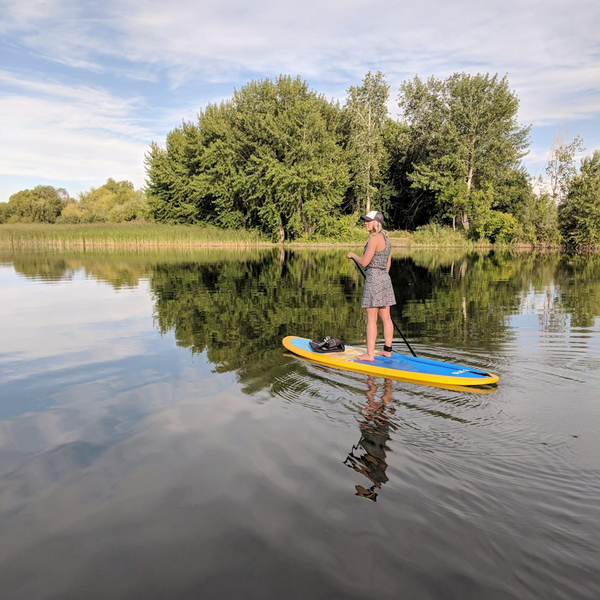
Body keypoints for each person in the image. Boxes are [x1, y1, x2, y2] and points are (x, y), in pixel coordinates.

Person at [347, 210, 396, 361]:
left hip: (374, 280)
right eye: (366, 220)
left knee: (371, 319)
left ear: (377, 223)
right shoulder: (386, 240)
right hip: (384, 279)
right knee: (386, 318)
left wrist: (352, 255)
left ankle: (369, 354)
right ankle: (387, 350)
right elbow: (388, 262)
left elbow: (364, 262)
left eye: (368, 221)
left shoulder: (375, 239)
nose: (365, 223)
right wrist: (383, 276)